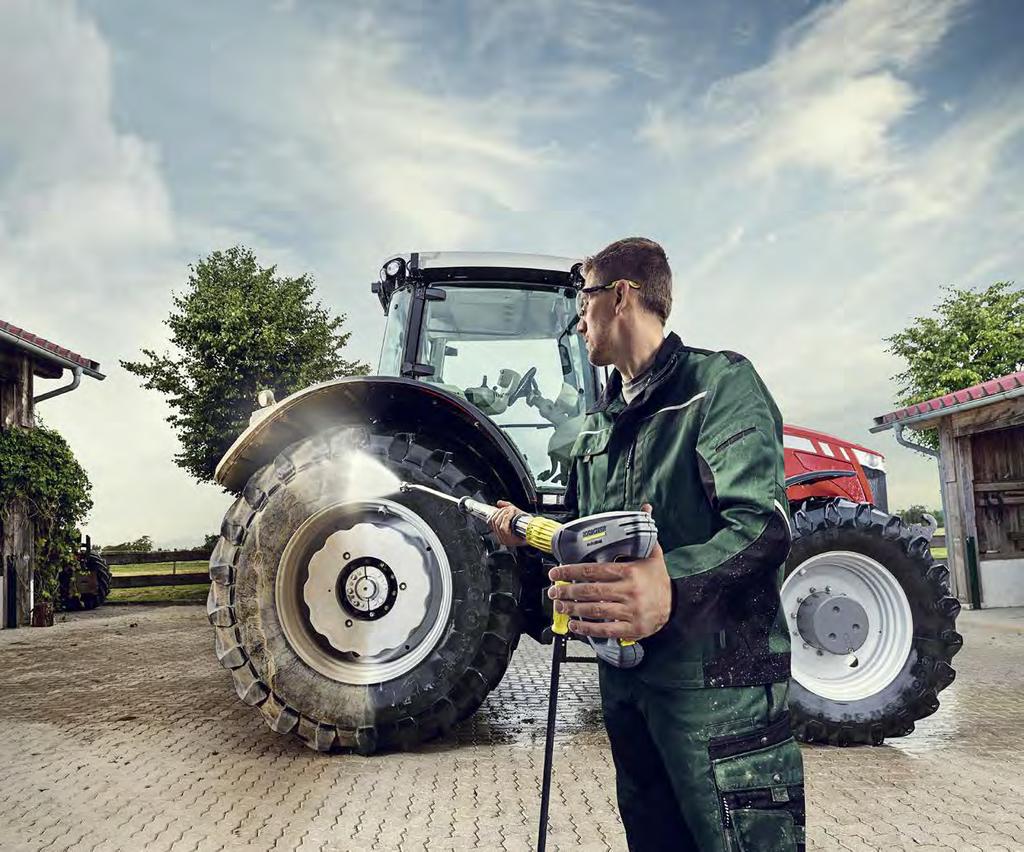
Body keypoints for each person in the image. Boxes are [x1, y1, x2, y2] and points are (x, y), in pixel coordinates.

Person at [489, 237, 806, 852]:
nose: (578, 321)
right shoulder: (600, 422)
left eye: (584, 302)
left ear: (621, 297)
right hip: (630, 685)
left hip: (718, 690)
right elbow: (589, 543)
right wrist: (529, 535)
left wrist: (670, 585)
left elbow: (763, 526)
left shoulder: (718, 386)